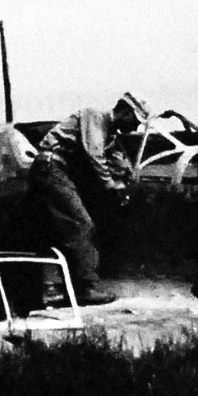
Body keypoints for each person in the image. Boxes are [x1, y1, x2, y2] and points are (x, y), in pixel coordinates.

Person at [28, 92, 149, 305]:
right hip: (53, 168)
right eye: (135, 120)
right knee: (81, 225)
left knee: (58, 229)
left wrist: (125, 182)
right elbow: (95, 156)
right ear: (124, 111)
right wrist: (111, 187)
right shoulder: (95, 117)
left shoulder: (110, 136)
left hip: (57, 171)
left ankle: (50, 289)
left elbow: (118, 163)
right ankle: (84, 288)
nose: (136, 128)